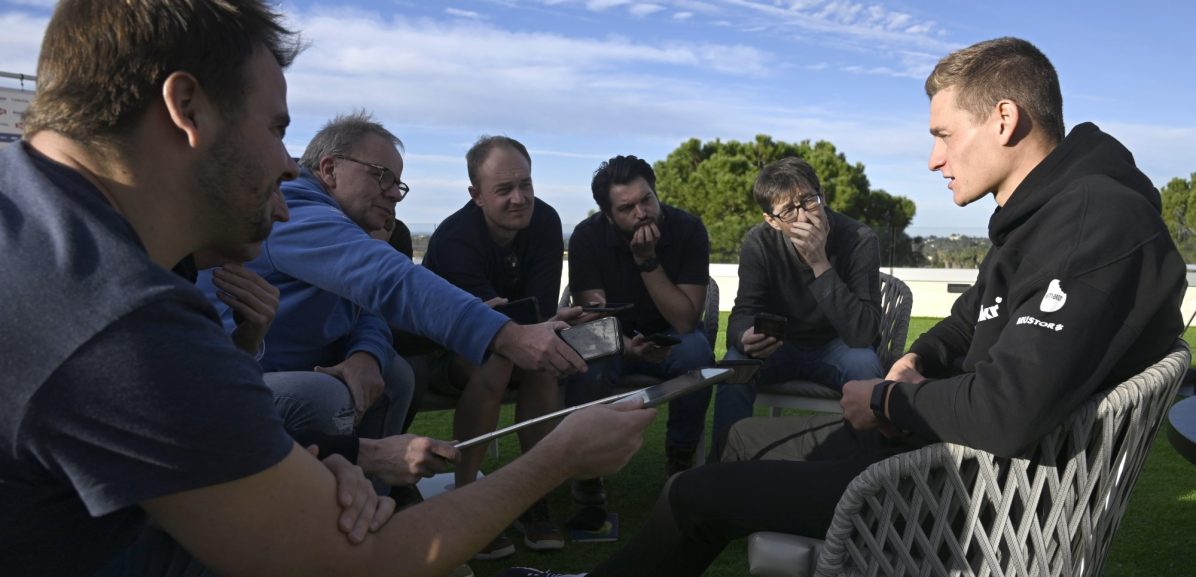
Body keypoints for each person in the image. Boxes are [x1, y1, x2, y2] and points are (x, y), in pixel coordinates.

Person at [0, 2, 655, 576]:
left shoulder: (51, 227)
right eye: (278, 128)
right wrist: (556, 456)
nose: (289, 165)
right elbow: (355, 563)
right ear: (187, 108)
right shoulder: (116, 314)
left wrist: (341, 458)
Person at [500, 36, 1185, 577]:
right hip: (934, 448)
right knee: (736, 445)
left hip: (961, 493)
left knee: (692, 495)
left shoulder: (1095, 224)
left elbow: (1006, 412)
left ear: (1004, 118)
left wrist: (887, 402)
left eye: (943, 134)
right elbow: (970, 315)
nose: (932, 159)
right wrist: (919, 356)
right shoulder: (1043, 217)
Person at [200, 111, 591, 492]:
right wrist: (507, 335)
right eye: (382, 175)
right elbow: (389, 279)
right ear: (330, 169)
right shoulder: (294, 210)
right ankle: (320, 511)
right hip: (226, 378)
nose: (393, 193)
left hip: (305, 362)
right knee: (323, 395)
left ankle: (374, 498)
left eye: (398, 184)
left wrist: (365, 354)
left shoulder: (340, 224)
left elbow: (367, 305)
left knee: (393, 374)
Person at [421, 135, 575, 557]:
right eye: (504, 190)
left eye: (526, 184)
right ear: (476, 196)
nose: (519, 198)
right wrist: (526, 326)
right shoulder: (456, 238)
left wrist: (551, 324)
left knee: (541, 359)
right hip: (450, 350)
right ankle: (468, 497)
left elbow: (539, 310)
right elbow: (480, 327)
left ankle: (533, 494)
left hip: (518, 335)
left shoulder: (545, 221)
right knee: (500, 362)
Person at [710, 156, 883, 456]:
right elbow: (743, 312)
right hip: (779, 347)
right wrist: (744, 336)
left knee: (865, 364)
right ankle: (724, 469)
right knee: (734, 367)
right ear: (772, 221)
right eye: (788, 211)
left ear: (823, 196)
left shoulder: (859, 239)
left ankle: (868, 469)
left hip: (837, 345)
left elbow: (863, 332)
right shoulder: (758, 243)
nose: (803, 217)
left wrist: (819, 262)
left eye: (809, 201)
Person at [566, 154, 713, 488]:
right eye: (627, 208)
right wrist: (628, 348)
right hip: (612, 339)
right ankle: (586, 470)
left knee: (696, 353)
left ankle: (680, 455)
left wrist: (647, 262)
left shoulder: (688, 230)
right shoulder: (587, 238)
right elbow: (592, 323)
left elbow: (686, 320)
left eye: (647, 199)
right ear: (608, 214)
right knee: (589, 368)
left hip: (670, 334)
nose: (642, 212)